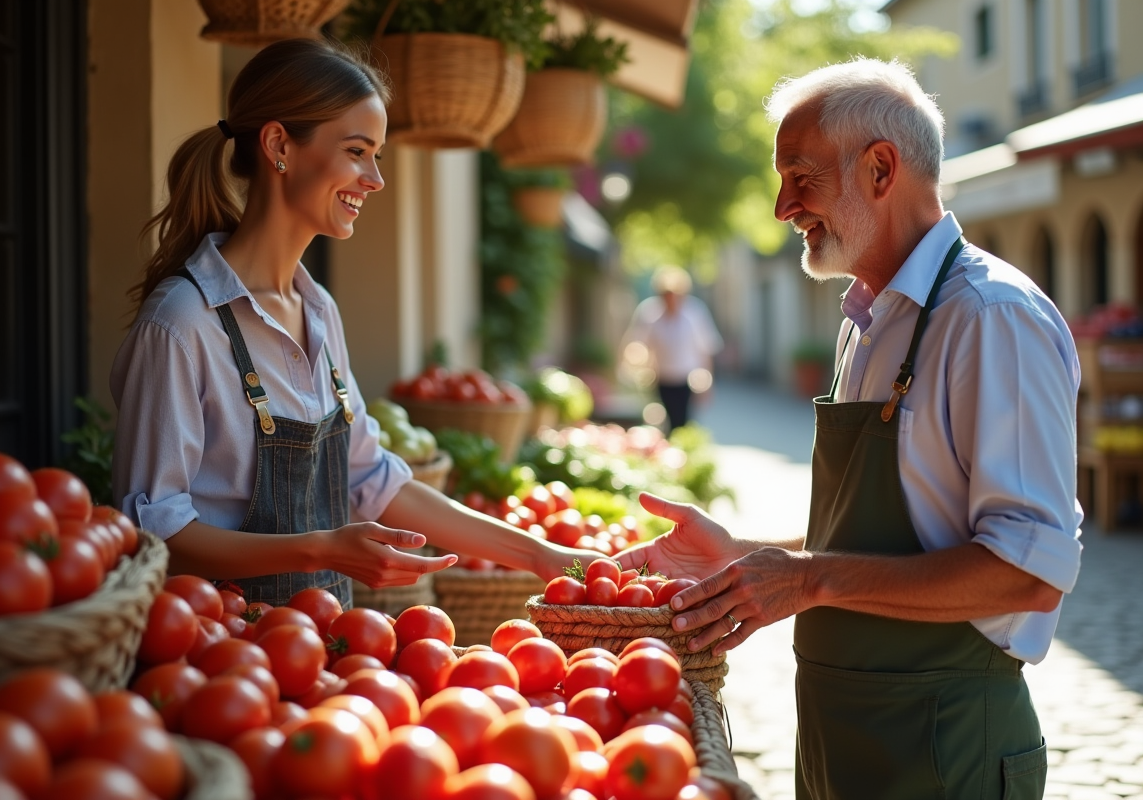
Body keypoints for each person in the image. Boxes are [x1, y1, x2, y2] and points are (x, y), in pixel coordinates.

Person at [619, 58, 1081, 800]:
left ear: (879, 168)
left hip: (943, 746)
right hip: (840, 735)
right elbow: (899, 535)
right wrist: (746, 557)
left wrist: (806, 579)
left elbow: (1029, 571)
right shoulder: (863, 321)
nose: (781, 207)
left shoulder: (992, 319)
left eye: (800, 176)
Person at [111, 39, 596, 609]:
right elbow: (155, 534)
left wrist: (544, 555)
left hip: (319, 650)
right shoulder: (181, 325)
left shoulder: (318, 311)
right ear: (278, 146)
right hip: (219, 660)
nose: (375, 179)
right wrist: (319, 552)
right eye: (357, 151)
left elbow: (373, 480)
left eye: (377, 156)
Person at [621, 266, 723, 430]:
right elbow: (638, 344)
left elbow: (706, 349)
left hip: (687, 379)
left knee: (684, 422)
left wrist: (707, 383)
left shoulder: (695, 313)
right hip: (661, 378)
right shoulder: (650, 313)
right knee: (661, 422)